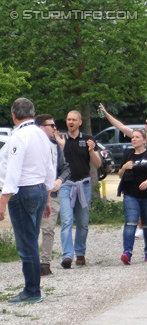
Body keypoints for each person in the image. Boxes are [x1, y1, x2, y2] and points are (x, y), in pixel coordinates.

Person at [0, 98, 57, 304]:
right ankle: (33, 288)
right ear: (33, 113)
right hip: (40, 189)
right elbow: (50, 167)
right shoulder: (42, 135)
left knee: (26, 244)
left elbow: (14, 170)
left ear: (13, 115)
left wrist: (3, 199)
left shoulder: (19, 136)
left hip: (23, 191)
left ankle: (32, 290)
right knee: (31, 240)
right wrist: (48, 197)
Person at [101, 107, 147, 239]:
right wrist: (106, 114)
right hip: (138, 172)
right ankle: (141, 226)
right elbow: (120, 126)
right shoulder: (139, 135)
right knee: (138, 197)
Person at [59, 110, 102, 269]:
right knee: (67, 220)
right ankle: (67, 256)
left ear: (79, 122)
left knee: (83, 222)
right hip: (66, 185)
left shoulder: (88, 139)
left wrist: (91, 150)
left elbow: (97, 164)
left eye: (73, 120)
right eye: (68, 119)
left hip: (83, 185)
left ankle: (80, 252)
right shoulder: (62, 140)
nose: (70, 122)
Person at [117, 129, 147, 265]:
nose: (134, 139)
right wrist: (124, 167)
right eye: (132, 137)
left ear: (144, 140)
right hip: (131, 194)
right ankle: (127, 252)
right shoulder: (128, 154)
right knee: (130, 222)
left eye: (137, 137)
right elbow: (119, 174)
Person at [33, 115, 69, 277]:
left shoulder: (55, 147)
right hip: (31, 192)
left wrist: (60, 180)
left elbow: (66, 168)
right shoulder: (30, 146)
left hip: (51, 193)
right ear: (41, 127)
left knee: (48, 229)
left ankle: (44, 263)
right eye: (52, 125)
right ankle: (31, 261)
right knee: (31, 229)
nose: (55, 128)